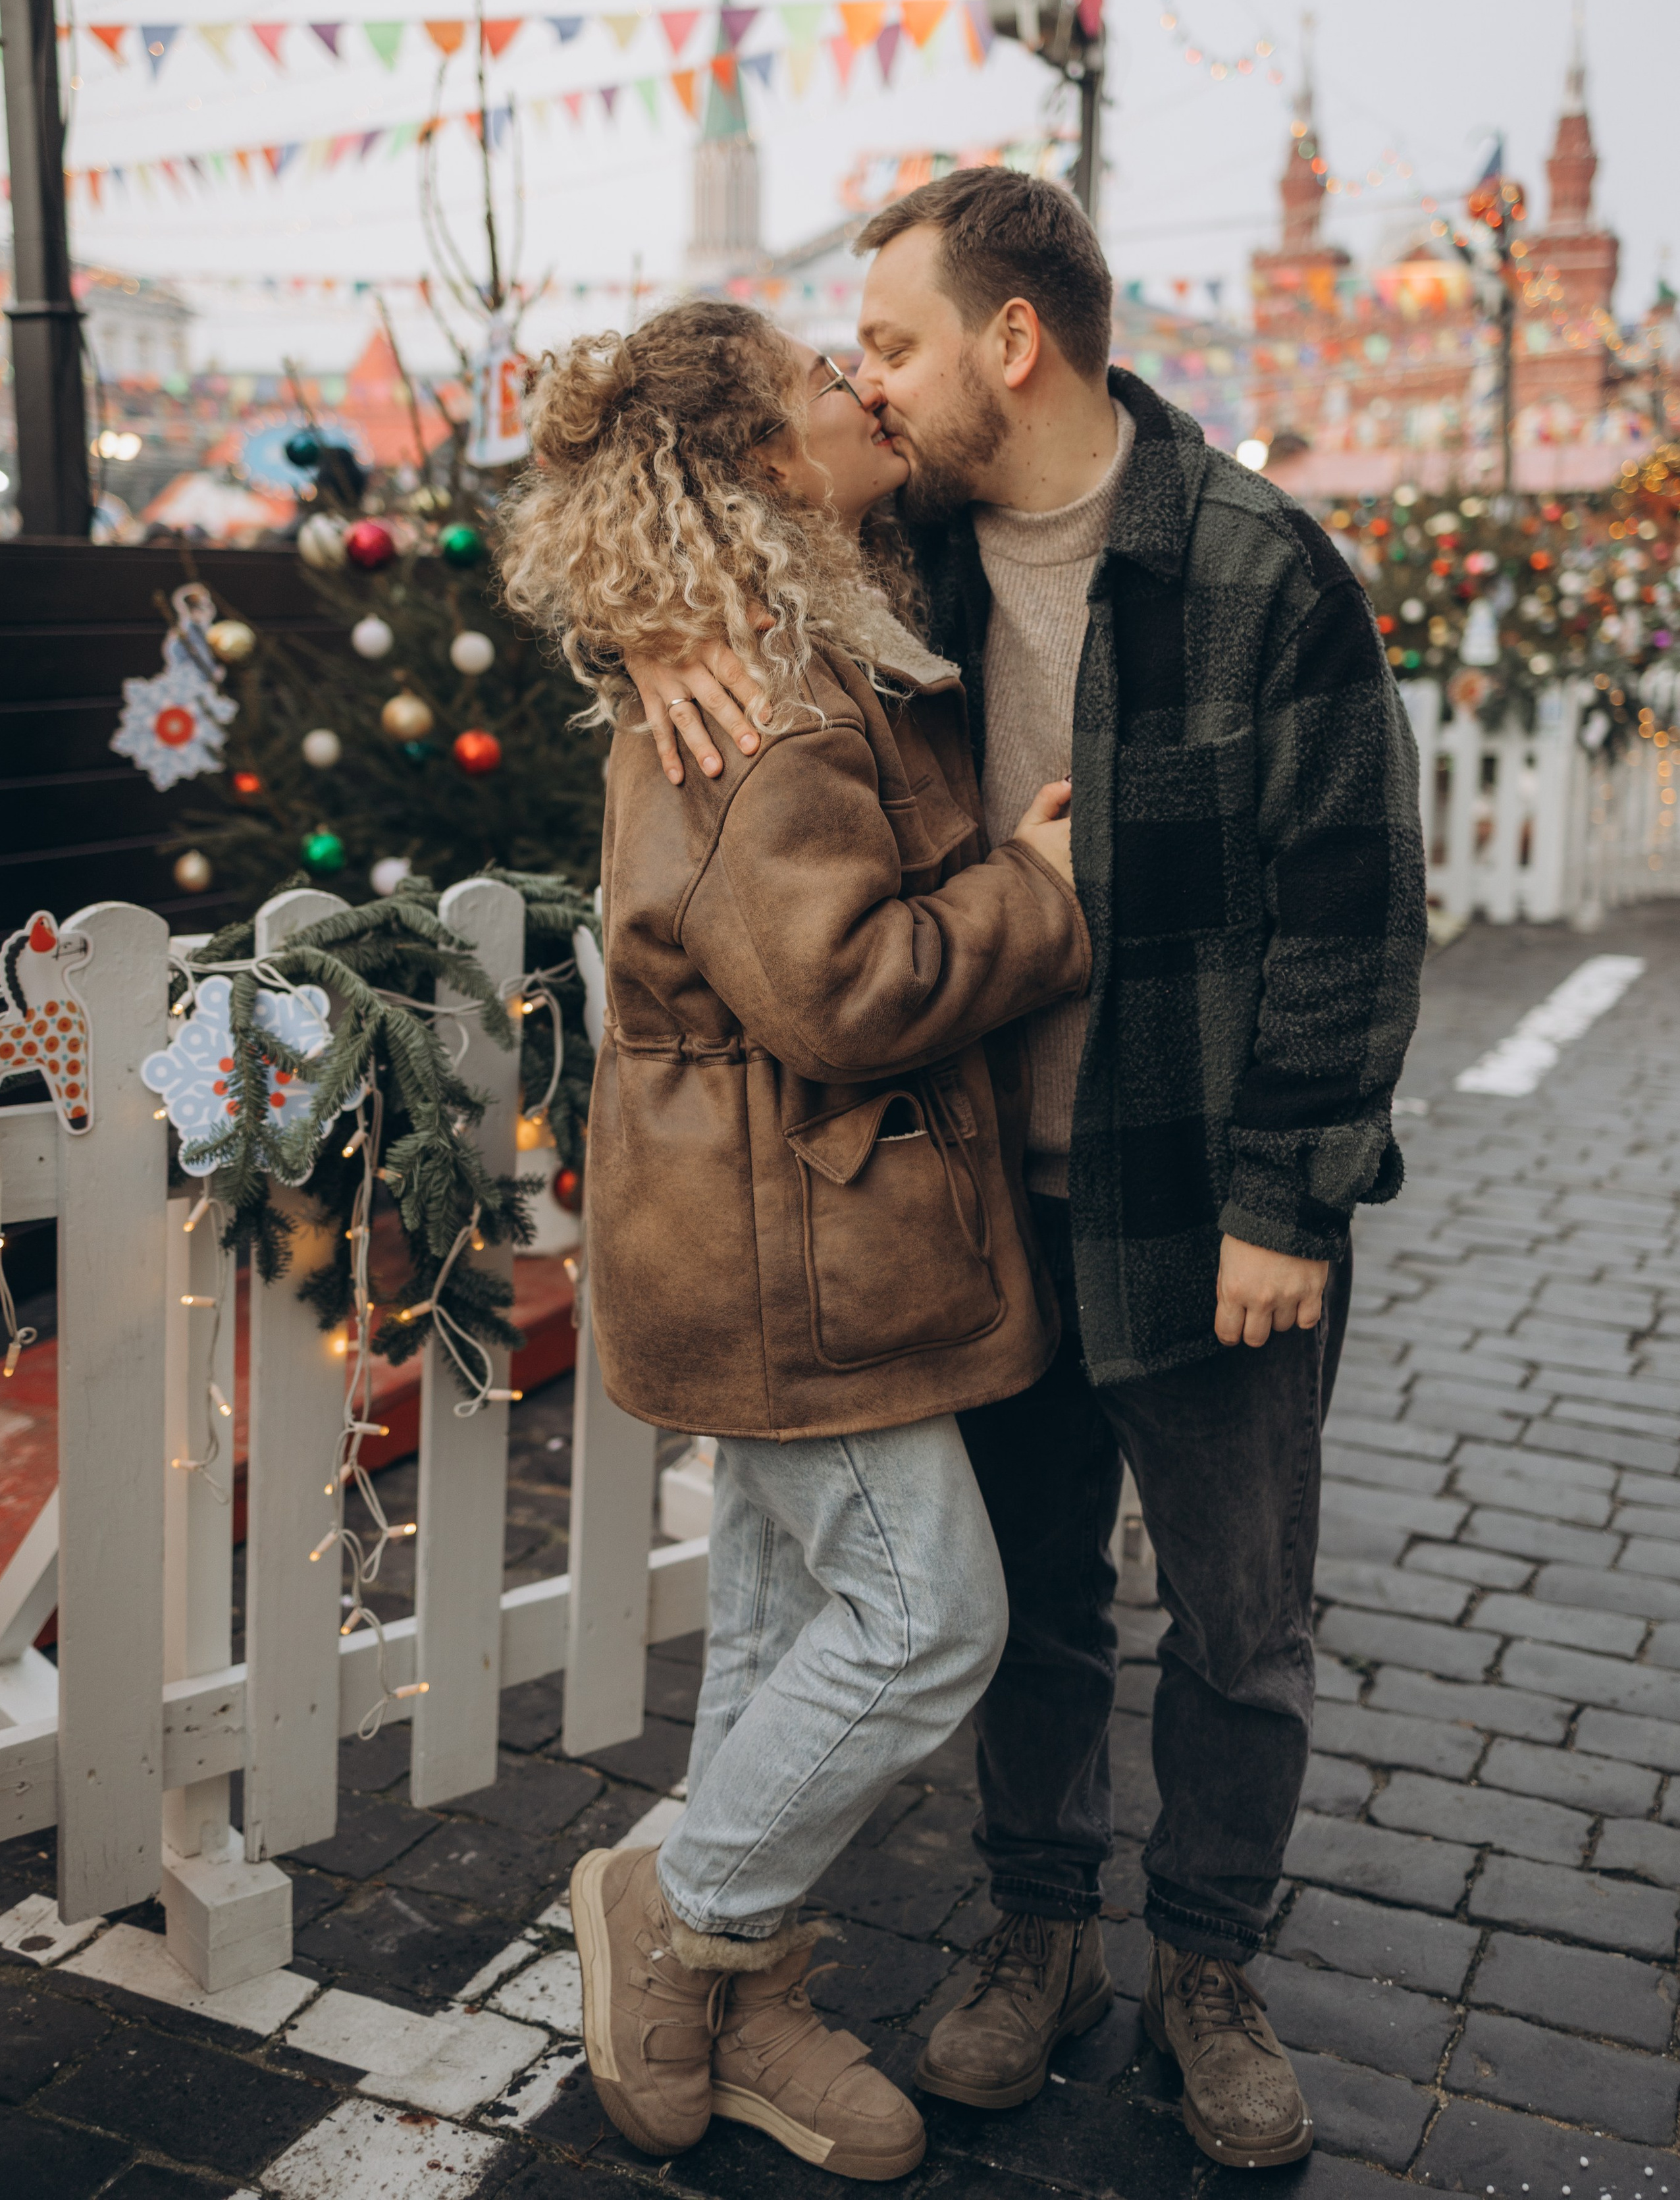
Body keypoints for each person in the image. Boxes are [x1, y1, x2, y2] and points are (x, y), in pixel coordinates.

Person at [625, 170, 1428, 2171]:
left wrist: (1284, 1202)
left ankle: (1209, 1974)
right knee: (1039, 1610)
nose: (870, 388)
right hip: (983, 1207)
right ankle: (1041, 1936)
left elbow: (1351, 915)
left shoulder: (1253, 569)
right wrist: (644, 621)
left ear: (1015, 340)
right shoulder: (914, 562)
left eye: (892, 342)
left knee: (1242, 1629)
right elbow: (677, 504)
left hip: (1201, 1209)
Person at [497, 298, 1093, 2183]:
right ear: (765, 468)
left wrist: (644, 602)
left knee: (771, 1622)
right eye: (826, 386)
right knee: (931, 1623)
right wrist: (1042, 896)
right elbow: (844, 990)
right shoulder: (750, 700)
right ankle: (678, 1916)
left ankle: (741, 1992)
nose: (863, 386)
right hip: (785, 1245)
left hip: (773, 1226)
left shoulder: (778, 617)